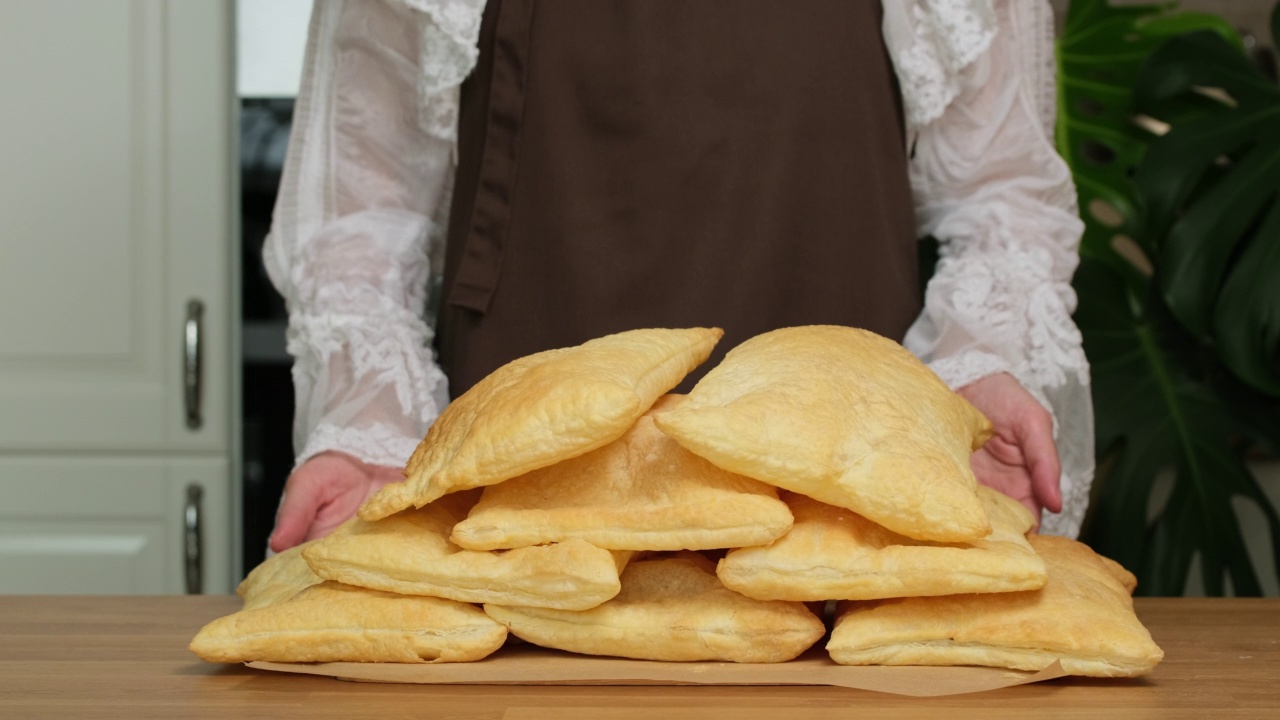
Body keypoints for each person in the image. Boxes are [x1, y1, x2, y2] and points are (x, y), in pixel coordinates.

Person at [265, 0, 1093, 553]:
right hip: (517, 512)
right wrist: (372, 426)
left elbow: (1002, 192)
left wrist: (977, 366)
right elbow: (357, 214)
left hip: (848, 504)